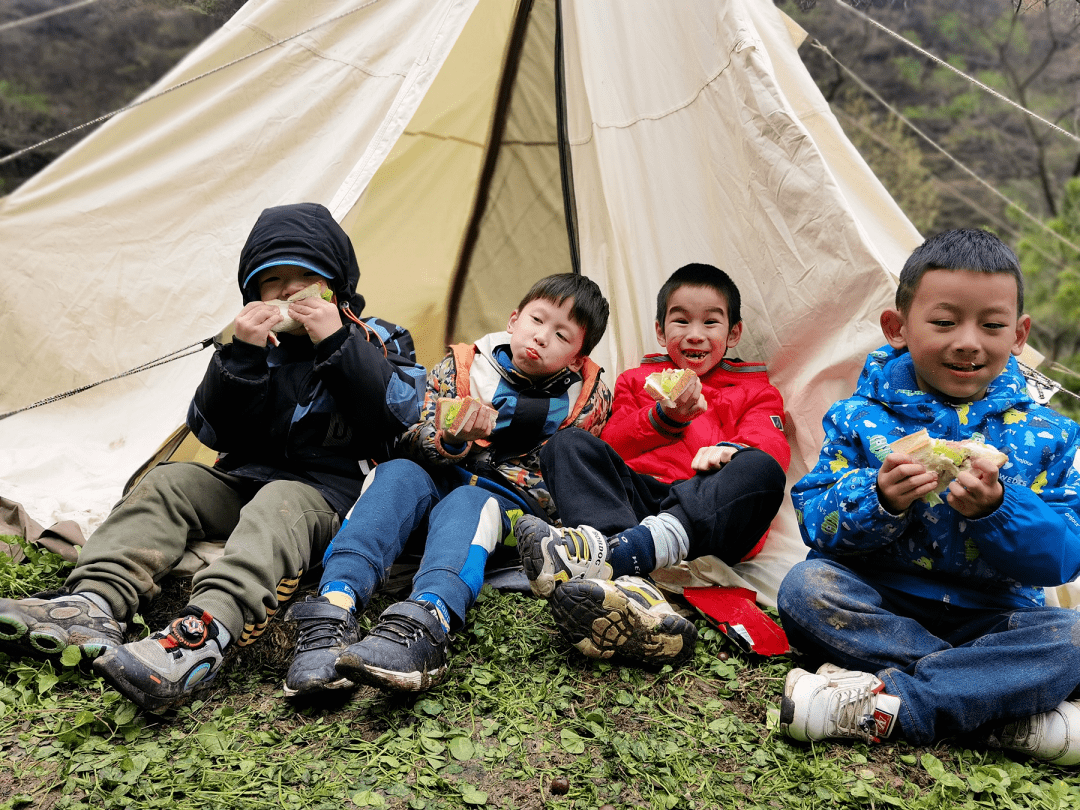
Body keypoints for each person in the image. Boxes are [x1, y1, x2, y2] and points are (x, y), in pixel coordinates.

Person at [0, 202, 425, 712]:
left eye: (305, 278)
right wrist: (240, 357)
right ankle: (92, 603)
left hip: (330, 493)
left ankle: (202, 635)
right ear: (254, 294)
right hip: (245, 478)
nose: (290, 292)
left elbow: (396, 417)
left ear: (336, 283)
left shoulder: (375, 336)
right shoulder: (255, 345)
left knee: (280, 502)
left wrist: (338, 341)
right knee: (170, 481)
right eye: (274, 283)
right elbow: (208, 427)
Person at [775, 228, 1080, 764]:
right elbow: (814, 517)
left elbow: (1065, 554)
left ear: (1019, 335)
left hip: (995, 614)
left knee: (1073, 637)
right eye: (943, 322)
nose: (968, 341)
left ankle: (900, 702)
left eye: (992, 326)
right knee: (806, 588)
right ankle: (993, 699)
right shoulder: (858, 417)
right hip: (883, 597)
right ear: (897, 328)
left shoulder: (1051, 435)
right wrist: (880, 498)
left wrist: (999, 509)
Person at [282, 273, 611, 696]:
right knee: (396, 472)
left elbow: (570, 475)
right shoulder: (461, 369)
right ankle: (334, 608)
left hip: (505, 508)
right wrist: (448, 440)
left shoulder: (586, 400)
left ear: (575, 356)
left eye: (561, 334)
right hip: (437, 482)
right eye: (537, 319)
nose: (541, 337)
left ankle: (426, 621)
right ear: (514, 319)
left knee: (469, 500)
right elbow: (406, 435)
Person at [513, 263, 789, 668]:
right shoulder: (637, 380)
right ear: (661, 331)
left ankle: (612, 559)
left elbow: (771, 447)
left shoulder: (755, 391)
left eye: (711, 322)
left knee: (760, 469)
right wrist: (664, 418)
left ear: (733, 333)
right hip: (639, 502)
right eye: (681, 321)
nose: (695, 334)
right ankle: (630, 587)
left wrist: (728, 450)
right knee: (567, 444)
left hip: (704, 514)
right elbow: (613, 445)